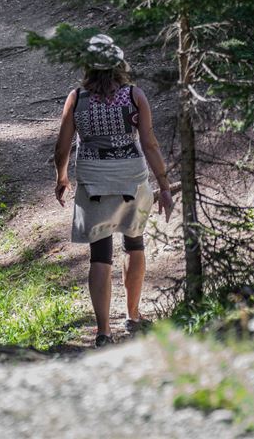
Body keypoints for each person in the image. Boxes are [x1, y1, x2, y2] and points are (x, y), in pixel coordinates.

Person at [54, 34, 174, 347]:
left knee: (100, 254)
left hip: (94, 180)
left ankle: (103, 331)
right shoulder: (135, 96)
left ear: (88, 66)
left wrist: (62, 177)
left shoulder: (77, 98)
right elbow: (149, 143)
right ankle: (133, 315)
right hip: (131, 178)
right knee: (134, 243)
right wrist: (164, 186)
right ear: (118, 64)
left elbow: (62, 145)